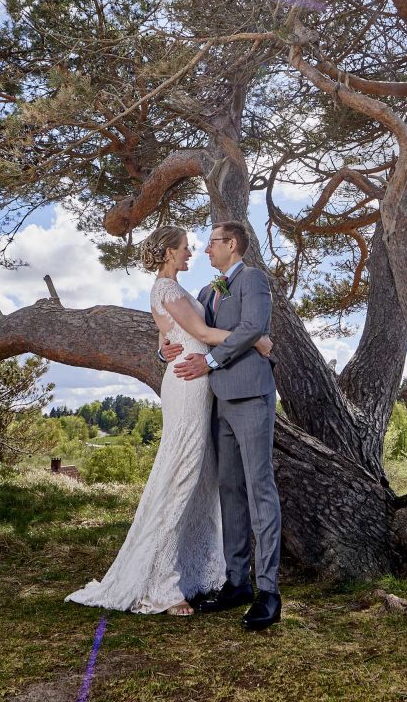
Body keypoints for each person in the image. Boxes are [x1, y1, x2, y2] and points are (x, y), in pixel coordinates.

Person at [65, 225, 273, 617]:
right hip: (189, 386)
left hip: (200, 384)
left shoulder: (182, 290)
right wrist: (256, 339)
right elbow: (199, 331)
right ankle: (162, 583)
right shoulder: (167, 290)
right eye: (186, 248)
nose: (192, 253)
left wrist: (164, 350)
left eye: (199, 246)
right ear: (168, 253)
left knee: (198, 475)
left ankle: (194, 570)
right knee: (180, 474)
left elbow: (176, 335)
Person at [162, 220, 282, 631]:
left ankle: (268, 592)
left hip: (251, 396)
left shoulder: (253, 280)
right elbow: (190, 333)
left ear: (232, 244)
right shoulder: (205, 292)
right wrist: (166, 349)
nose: (205, 249)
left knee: (259, 489)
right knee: (229, 490)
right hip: (216, 403)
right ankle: (237, 582)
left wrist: (210, 361)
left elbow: (253, 329)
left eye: (212, 242)